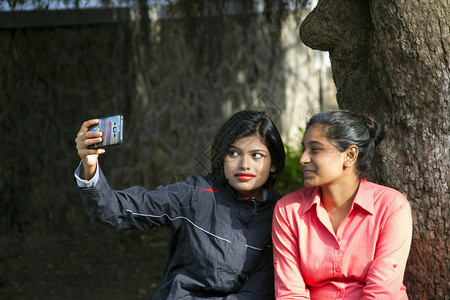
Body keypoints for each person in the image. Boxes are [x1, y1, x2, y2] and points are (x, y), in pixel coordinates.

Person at [74, 110, 285, 299]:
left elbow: (257, 292)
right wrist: (90, 168)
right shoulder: (195, 194)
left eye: (256, 155)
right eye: (234, 153)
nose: (244, 164)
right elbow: (115, 210)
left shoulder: (283, 216)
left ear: (273, 164)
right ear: (222, 158)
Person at [272, 110, 413, 299]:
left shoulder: (391, 207)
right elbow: (290, 292)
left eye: (315, 149)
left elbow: (381, 293)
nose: (303, 159)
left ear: (350, 155)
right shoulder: (288, 210)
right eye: (304, 149)